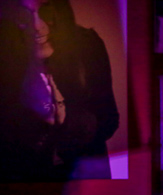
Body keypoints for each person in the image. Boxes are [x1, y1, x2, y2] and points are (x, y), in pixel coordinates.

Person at [0, 0, 119, 181]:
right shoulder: (6, 52)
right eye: (23, 15)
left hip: (85, 177)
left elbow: (108, 120)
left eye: (47, 12)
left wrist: (63, 119)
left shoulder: (87, 45)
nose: (37, 26)